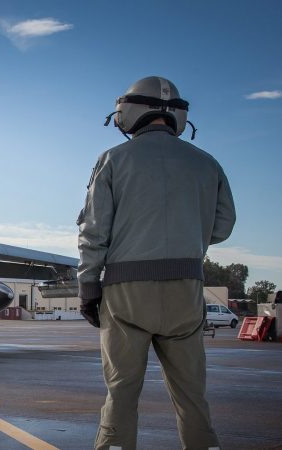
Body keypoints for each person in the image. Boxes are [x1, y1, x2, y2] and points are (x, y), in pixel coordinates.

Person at [78, 76, 236, 449]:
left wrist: (88, 288)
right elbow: (224, 225)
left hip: (126, 294)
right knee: (192, 395)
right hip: (186, 290)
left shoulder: (113, 159)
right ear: (175, 116)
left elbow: (93, 231)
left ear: (129, 112)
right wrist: (188, 233)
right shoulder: (206, 163)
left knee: (121, 391)